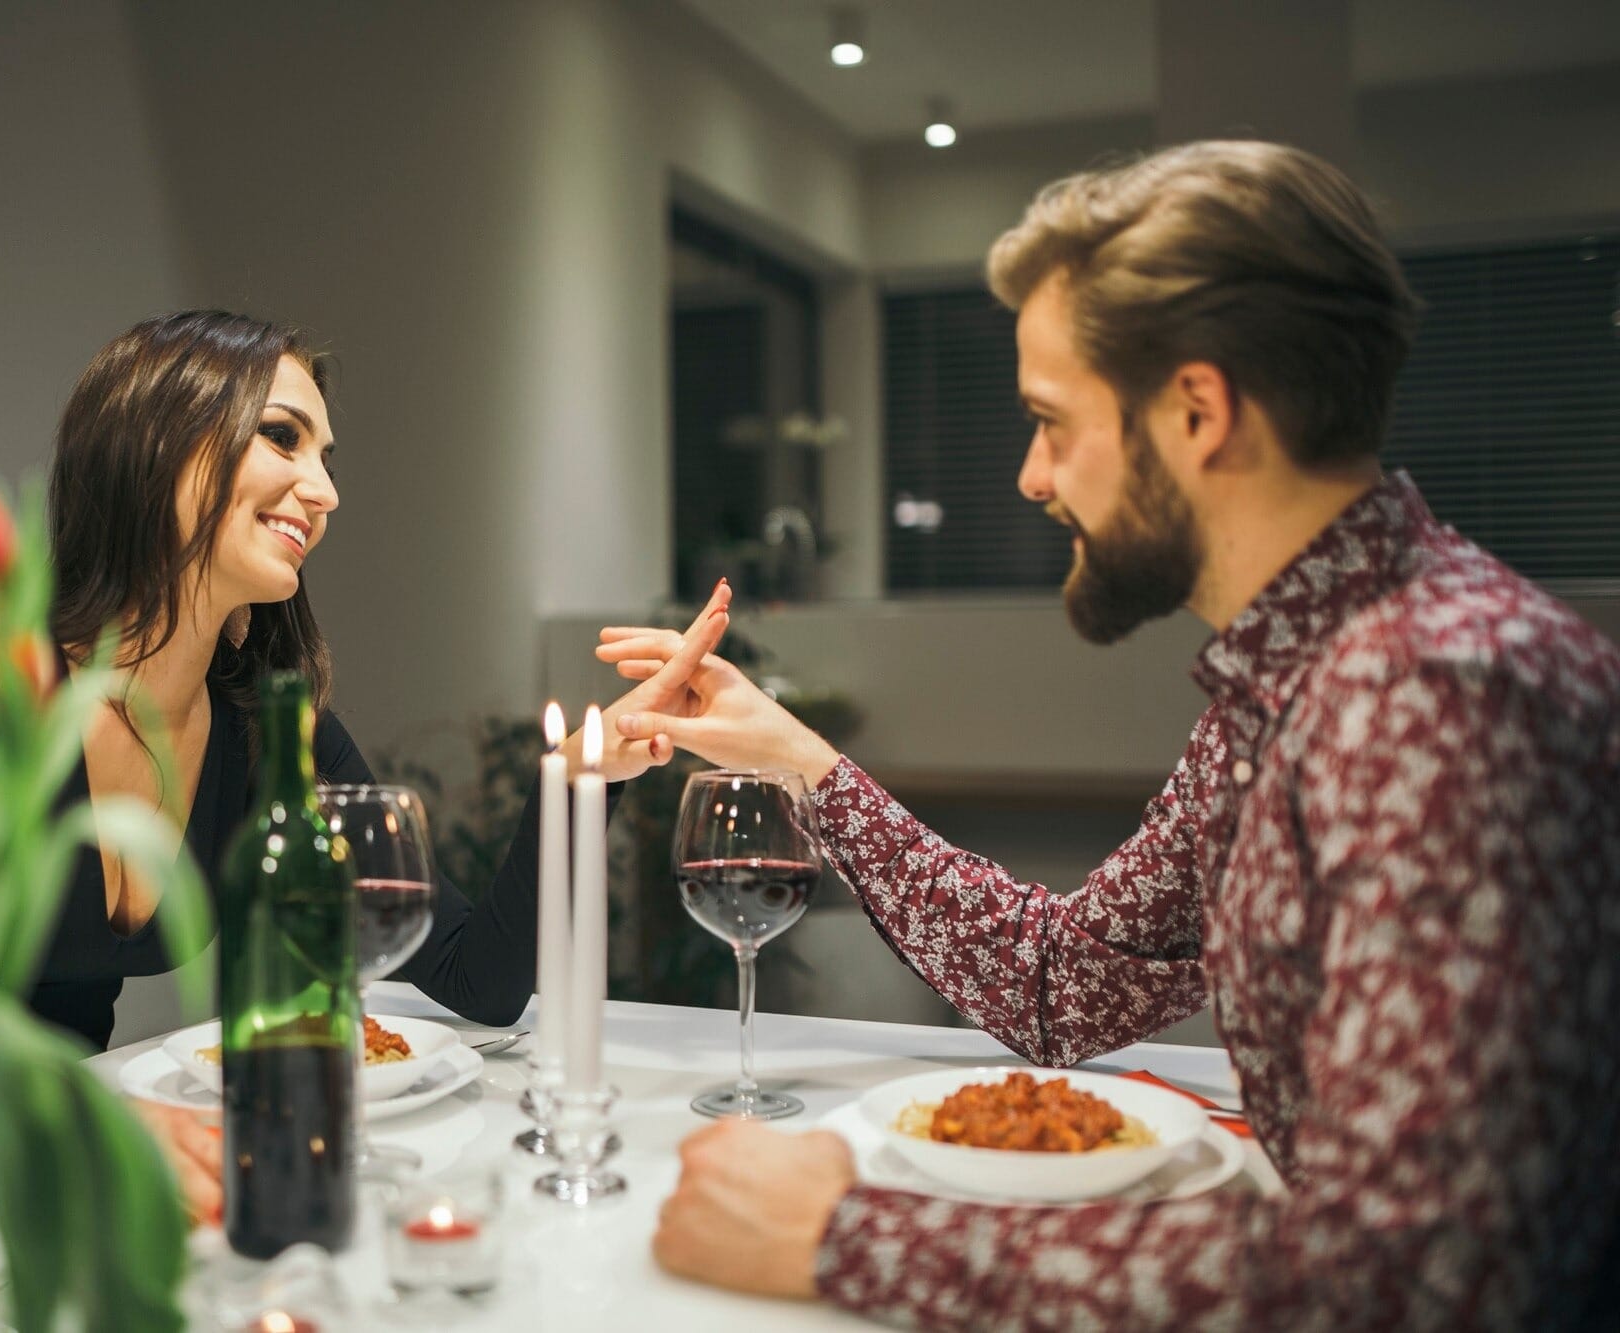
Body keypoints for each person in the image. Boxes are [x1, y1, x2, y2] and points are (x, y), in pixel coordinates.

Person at [607, 142, 1620, 1328]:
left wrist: (846, 1237)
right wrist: (795, 758)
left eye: (1049, 419)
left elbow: (1416, 1275)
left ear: (1196, 410)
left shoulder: (1434, 694)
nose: (1031, 476)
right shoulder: (1292, 675)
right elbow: (1062, 983)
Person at [36, 311, 725, 1216]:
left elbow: (476, 978)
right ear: (156, 444)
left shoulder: (264, 727)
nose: (323, 491)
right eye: (282, 437)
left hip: (76, 1204)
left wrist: (580, 777)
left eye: (326, 458)